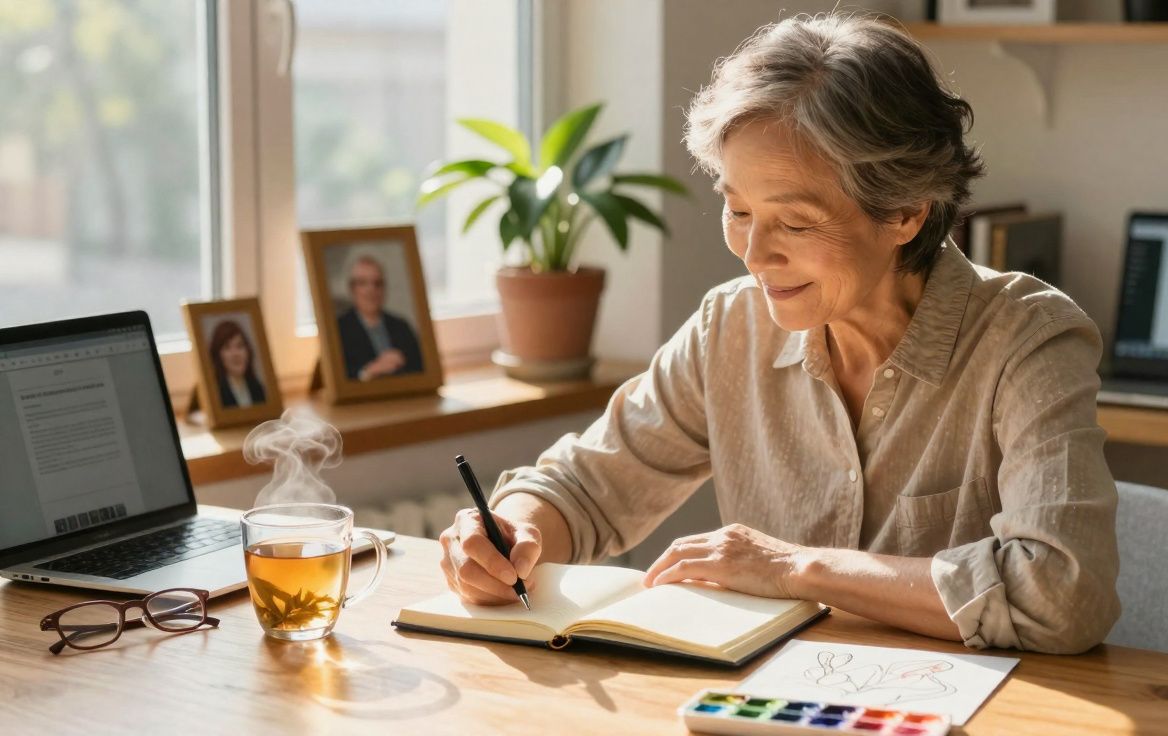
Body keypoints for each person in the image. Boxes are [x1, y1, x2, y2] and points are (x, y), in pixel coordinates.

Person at [438, 15, 1120, 655]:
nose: (754, 255)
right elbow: (585, 488)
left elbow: (1061, 593)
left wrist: (799, 569)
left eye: (794, 223)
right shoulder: (731, 326)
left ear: (906, 212)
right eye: (737, 210)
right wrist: (511, 530)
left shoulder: (1029, 339)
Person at [336, 254, 424, 381]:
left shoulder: (401, 326)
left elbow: (422, 371)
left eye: (377, 283)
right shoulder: (338, 329)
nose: (371, 290)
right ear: (352, 289)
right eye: (363, 283)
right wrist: (368, 371)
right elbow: (338, 378)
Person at [208, 319, 266, 408]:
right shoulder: (211, 390)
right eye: (227, 347)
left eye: (240, 346)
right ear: (218, 355)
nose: (235, 354)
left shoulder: (257, 387)